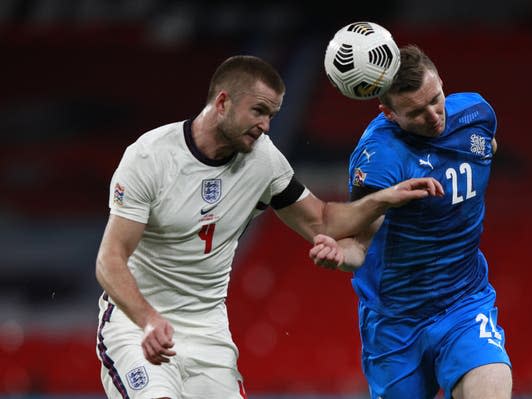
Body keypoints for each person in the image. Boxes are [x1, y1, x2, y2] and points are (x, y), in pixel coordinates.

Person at [94, 54, 443, 399]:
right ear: (222, 102)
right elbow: (110, 260)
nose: (266, 126)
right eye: (258, 111)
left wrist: (383, 198)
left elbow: (321, 221)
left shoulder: (263, 159)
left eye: (272, 115)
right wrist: (148, 319)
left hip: (207, 332)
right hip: (135, 323)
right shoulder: (150, 157)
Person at [309, 45, 512, 399]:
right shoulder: (379, 159)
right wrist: (340, 257)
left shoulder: (476, 113)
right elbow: (358, 246)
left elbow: (486, 148)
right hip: (396, 322)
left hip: (464, 301)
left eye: (436, 99)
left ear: (441, 83)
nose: (434, 116)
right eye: (416, 112)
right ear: (388, 112)